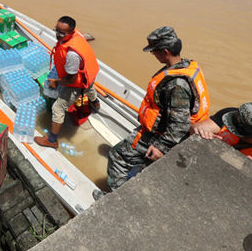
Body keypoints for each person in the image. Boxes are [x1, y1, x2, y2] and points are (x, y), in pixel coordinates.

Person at [106, 26, 211, 190]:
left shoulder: (177, 85)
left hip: (160, 135)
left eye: (154, 51)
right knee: (144, 169)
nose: (153, 54)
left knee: (117, 156)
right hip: (167, 130)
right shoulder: (187, 66)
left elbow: (180, 124)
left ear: (166, 51)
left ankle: (112, 196)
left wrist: (160, 147)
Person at [34, 16, 102, 149]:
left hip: (77, 81)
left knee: (58, 108)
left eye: (61, 33)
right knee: (88, 86)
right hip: (89, 74)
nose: (57, 35)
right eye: (56, 30)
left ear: (70, 32)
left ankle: (52, 140)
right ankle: (95, 102)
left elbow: (71, 79)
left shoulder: (71, 55)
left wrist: (56, 81)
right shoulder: (78, 35)